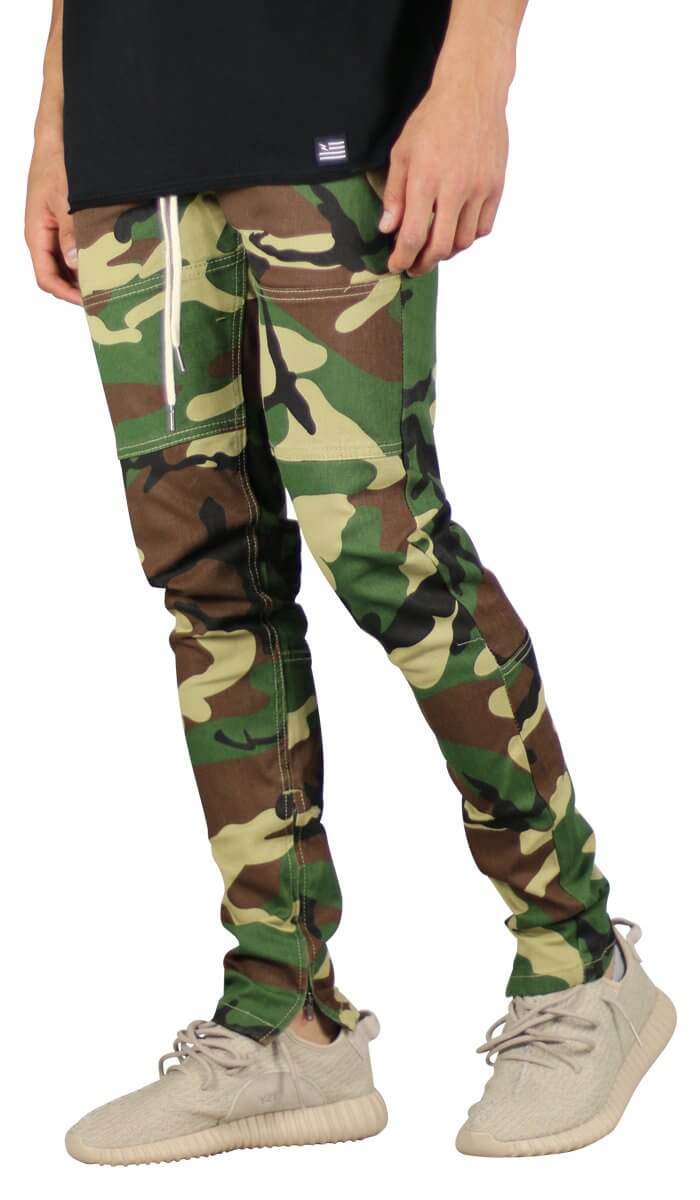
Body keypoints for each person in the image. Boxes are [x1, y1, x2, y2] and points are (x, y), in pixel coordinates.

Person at [26, 0, 675, 1165]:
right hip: (132, 137)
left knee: (386, 553)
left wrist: (476, 71)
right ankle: (288, 1021)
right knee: (204, 575)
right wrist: (55, 113)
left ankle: (581, 962)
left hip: (334, 100)